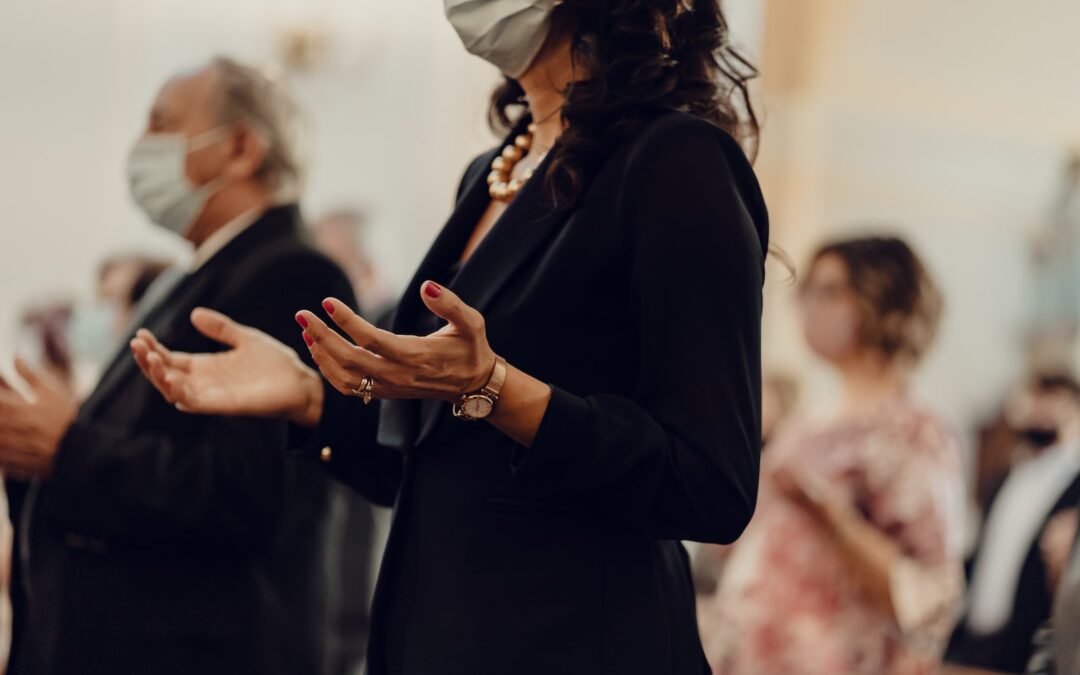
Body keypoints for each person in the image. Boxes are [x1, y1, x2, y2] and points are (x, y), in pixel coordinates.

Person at [131, 1, 769, 673]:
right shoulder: (491, 171)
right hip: (441, 632)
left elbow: (711, 484)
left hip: (574, 639)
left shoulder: (677, 161)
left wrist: (497, 388)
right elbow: (442, 463)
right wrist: (313, 398)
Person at [0, 57, 355, 675]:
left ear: (242, 147)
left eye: (161, 124)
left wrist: (67, 447)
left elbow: (240, 495)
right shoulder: (193, 273)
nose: (142, 145)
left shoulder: (290, 273)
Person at [700, 236, 965, 674]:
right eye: (808, 290)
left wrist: (831, 517)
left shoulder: (913, 430)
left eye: (828, 290)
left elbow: (929, 595)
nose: (807, 305)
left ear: (882, 300)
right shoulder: (810, 419)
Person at [945, 373, 1080, 674]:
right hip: (971, 640)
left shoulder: (1076, 487)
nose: (1040, 408)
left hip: (1025, 651)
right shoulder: (1004, 479)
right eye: (1035, 397)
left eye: (1053, 398)